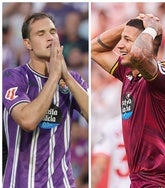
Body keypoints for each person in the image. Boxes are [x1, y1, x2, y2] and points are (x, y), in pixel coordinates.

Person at [2, 12, 88, 187]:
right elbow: (28, 120)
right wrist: (54, 76)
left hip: (62, 182)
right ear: (28, 43)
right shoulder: (13, 77)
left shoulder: (73, 80)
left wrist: (67, 78)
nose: (50, 38)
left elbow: (94, 116)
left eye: (53, 32)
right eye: (41, 34)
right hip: (21, 183)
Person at [91, 13, 165, 187]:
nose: (120, 45)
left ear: (148, 43)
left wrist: (151, 28)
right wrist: (129, 24)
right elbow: (94, 49)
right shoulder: (129, 75)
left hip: (159, 180)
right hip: (138, 180)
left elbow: (139, 54)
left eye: (127, 40)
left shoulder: (162, 79)